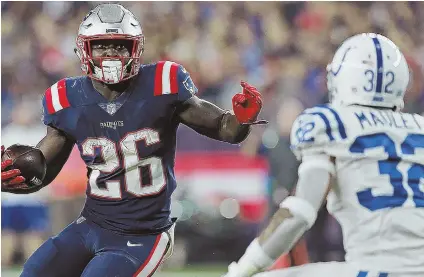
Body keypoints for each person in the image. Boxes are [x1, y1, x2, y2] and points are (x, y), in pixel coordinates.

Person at [0, 4, 266, 277]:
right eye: (102, 46)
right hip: (92, 224)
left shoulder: (162, 83)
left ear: (135, 50)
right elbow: (42, 171)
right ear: (84, 50)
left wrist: (241, 118)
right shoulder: (68, 98)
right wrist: (13, 177)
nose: (111, 55)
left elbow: (225, 128)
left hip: (145, 233)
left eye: (120, 46)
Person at [223, 33, 424, 277]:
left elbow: (300, 212)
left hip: (374, 269)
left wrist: (241, 269)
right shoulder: (418, 127)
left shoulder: (331, 124)